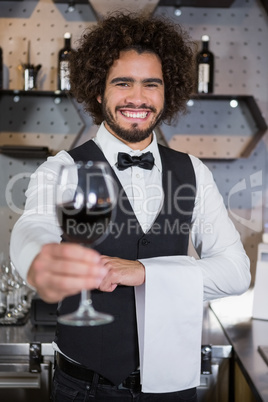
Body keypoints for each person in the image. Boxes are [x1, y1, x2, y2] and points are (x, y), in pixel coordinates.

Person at [10, 12, 251, 402]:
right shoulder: (62, 168)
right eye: (123, 83)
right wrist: (42, 259)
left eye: (150, 85)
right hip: (84, 390)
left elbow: (236, 272)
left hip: (173, 389)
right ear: (99, 92)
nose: (138, 98)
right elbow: (33, 227)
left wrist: (143, 272)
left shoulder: (193, 171)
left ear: (166, 93)